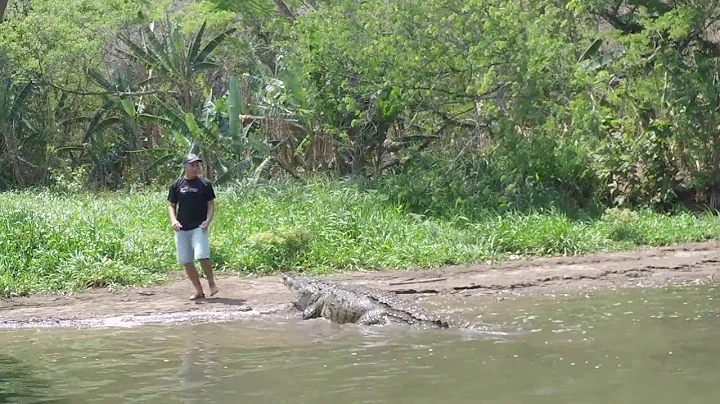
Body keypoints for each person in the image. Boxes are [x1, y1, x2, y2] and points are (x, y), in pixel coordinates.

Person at [167, 153, 219, 300]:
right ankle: (199, 291)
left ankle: (211, 283)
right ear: (185, 166)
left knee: (202, 255)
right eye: (192, 165)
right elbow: (171, 205)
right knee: (186, 260)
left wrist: (208, 220)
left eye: (197, 165)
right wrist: (173, 220)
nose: (195, 167)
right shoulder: (176, 185)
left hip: (199, 227)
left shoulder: (204, 184)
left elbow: (210, 204)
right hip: (182, 228)